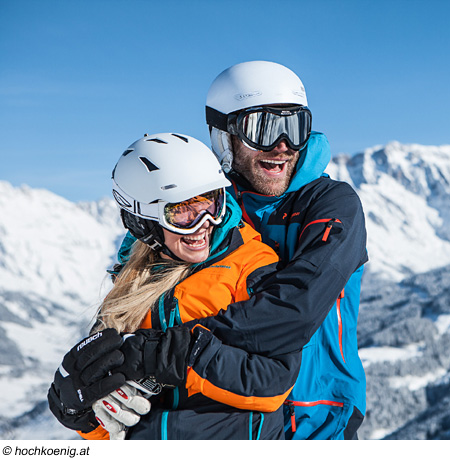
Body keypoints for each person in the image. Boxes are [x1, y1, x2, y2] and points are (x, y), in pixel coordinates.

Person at [47, 133, 301, 440]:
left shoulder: (250, 266)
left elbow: (272, 384)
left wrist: (170, 356)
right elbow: (112, 428)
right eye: (182, 212)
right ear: (145, 220)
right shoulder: (131, 285)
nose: (203, 223)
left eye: (210, 202)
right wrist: (79, 414)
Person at [199, 60, 369, 439]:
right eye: (263, 128)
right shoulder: (205, 212)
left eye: (295, 127)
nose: (282, 145)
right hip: (233, 422)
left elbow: (298, 307)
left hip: (318, 426)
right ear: (224, 136)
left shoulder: (330, 204)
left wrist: (179, 348)